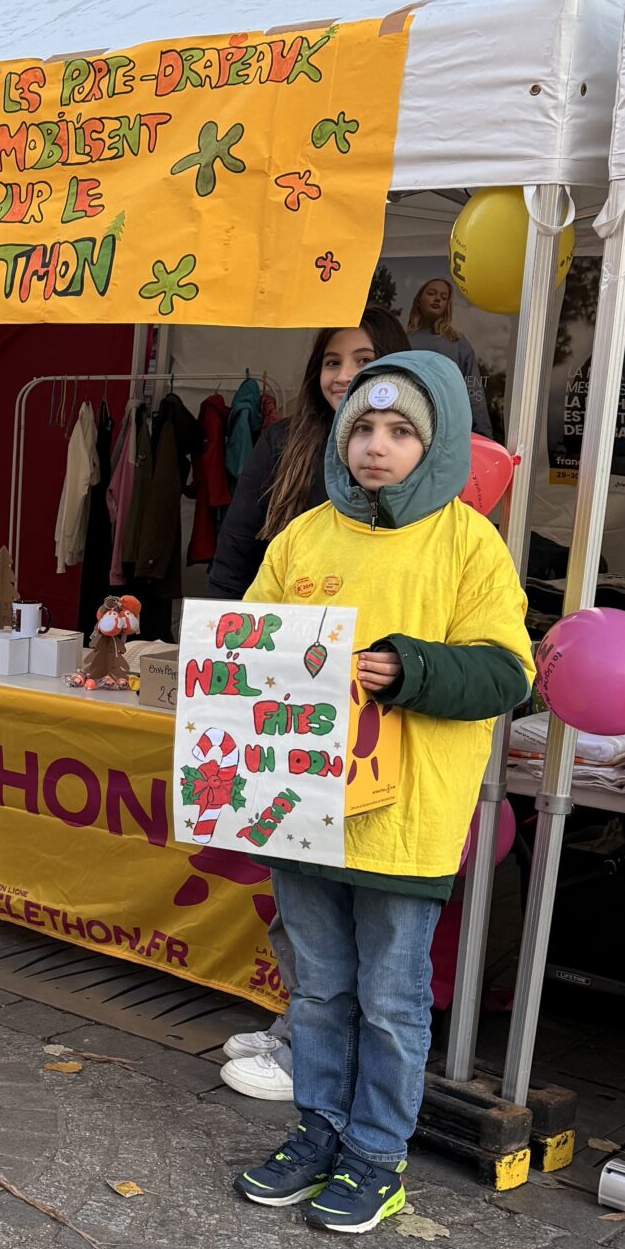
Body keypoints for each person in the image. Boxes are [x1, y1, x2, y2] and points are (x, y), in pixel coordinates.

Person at [234, 354, 532, 1232]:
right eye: (363, 428)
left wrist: (413, 667)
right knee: (320, 990)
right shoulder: (301, 539)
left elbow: (509, 674)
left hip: (405, 825)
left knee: (393, 1002)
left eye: (401, 432)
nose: (376, 446)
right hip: (304, 814)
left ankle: (376, 1155)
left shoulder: (467, 542)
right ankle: (319, 1130)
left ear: (435, 445)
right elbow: (252, 651)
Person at [206, 308, 406, 1105]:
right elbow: (235, 551)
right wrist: (216, 659)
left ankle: (312, 1045)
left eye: (361, 357)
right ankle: (301, 1024)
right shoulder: (288, 441)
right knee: (293, 870)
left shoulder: (404, 463)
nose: (342, 373)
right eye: (331, 359)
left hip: (365, 697)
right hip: (280, 682)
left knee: (348, 885)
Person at [405, 275, 494, 435]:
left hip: (448, 427)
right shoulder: (402, 339)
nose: (437, 299)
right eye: (431, 293)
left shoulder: (457, 342)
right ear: (418, 300)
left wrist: (482, 434)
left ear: (447, 306)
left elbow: (473, 389)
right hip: (407, 424)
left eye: (443, 297)